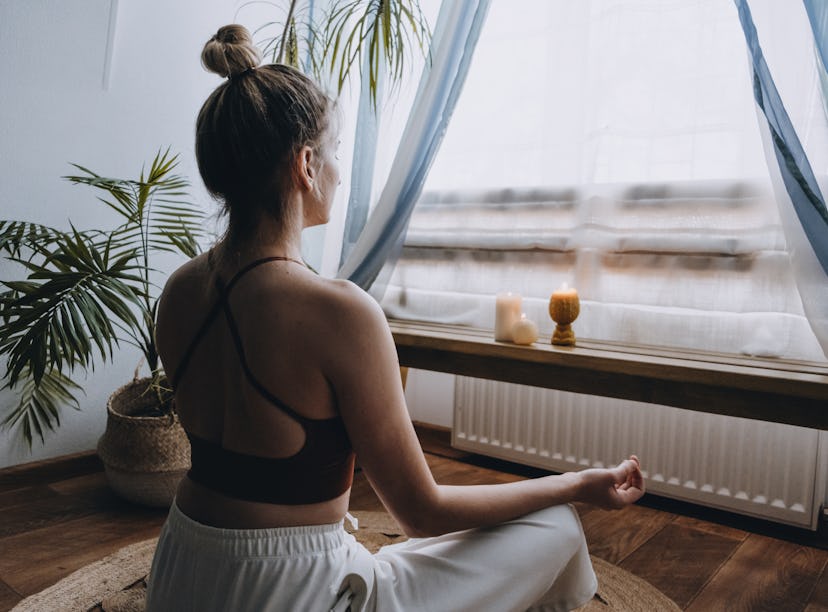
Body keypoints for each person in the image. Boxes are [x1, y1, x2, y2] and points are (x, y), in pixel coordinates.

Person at [145, 23, 645, 612]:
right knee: (556, 526)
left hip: (181, 574)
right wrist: (578, 485)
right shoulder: (339, 312)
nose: (337, 168)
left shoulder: (177, 292)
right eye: (332, 152)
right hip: (290, 594)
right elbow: (423, 514)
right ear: (305, 165)